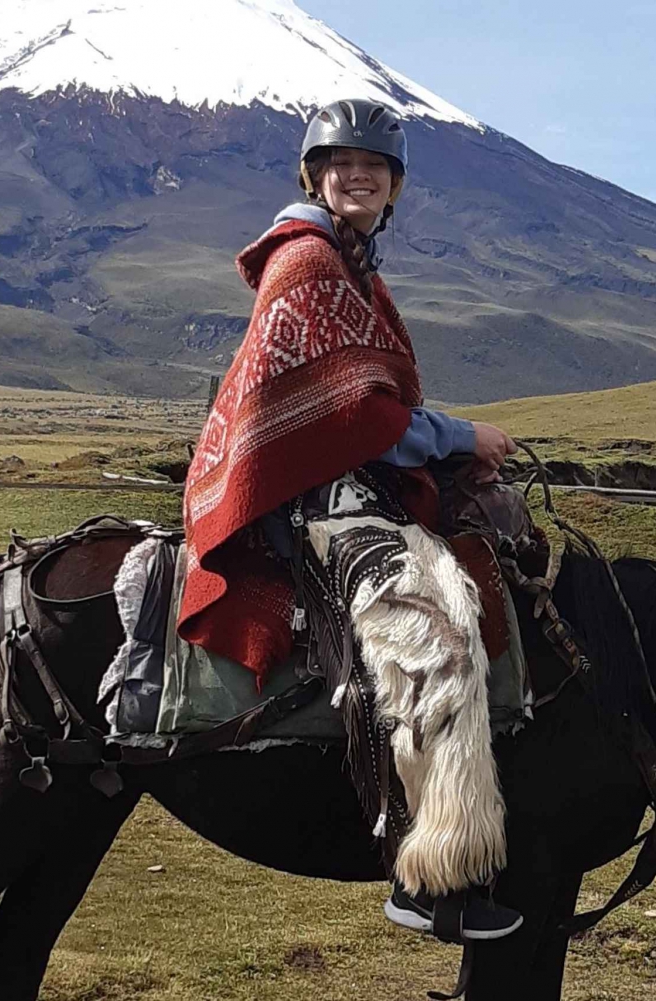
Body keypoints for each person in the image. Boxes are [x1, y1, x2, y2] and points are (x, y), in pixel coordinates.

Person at [178, 99, 522, 940]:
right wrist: (459, 435)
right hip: (303, 496)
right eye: (342, 163)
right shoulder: (308, 265)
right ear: (315, 176)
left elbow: (365, 407)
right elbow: (346, 418)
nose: (358, 174)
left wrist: (443, 447)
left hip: (344, 483)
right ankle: (425, 871)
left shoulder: (351, 265)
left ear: (394, 186)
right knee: (432, 634)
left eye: (375, 165)